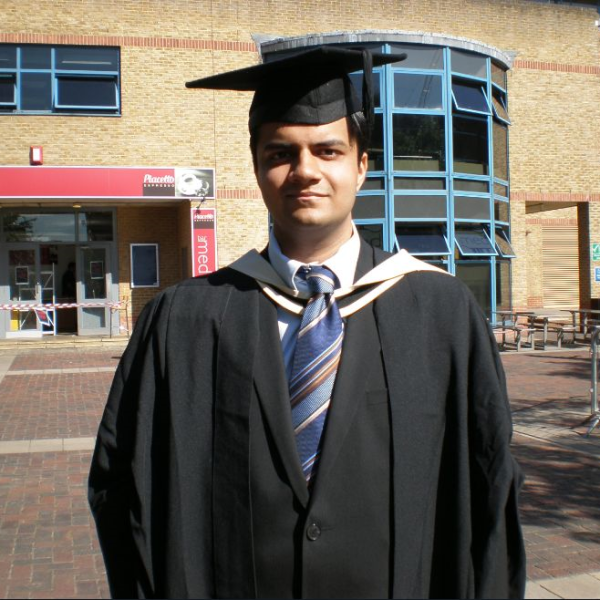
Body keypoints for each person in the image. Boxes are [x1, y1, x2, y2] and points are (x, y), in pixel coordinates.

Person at [89, 46, 526, 599]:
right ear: (256, 166)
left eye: (328, 150)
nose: (305, 172)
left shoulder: (441, 313)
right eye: (280, 153)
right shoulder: (183, 322)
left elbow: (488, 486)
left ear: (362, 164)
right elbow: (121, 485)